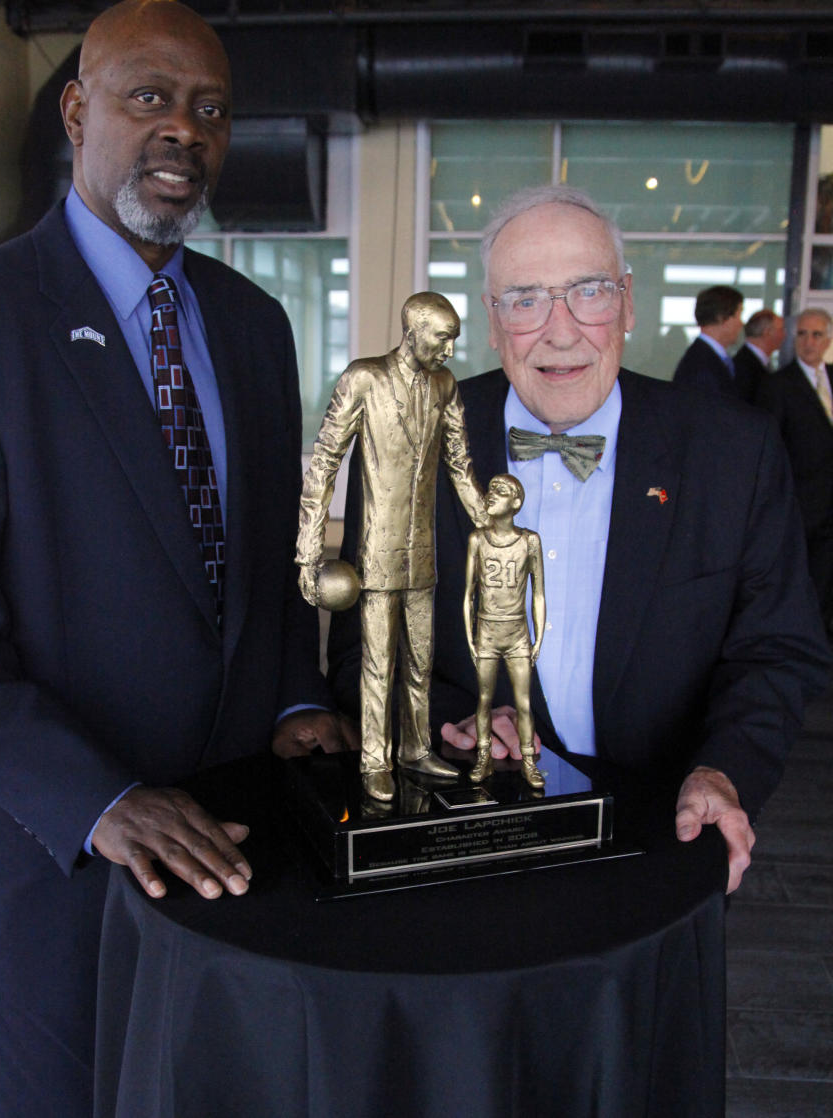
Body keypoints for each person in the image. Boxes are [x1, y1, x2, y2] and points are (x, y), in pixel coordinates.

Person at [0, 2, 349, 1113]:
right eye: (150, 97)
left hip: (235, 852)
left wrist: (293, 692)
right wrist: (102, 798)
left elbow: (263, 560)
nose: (184, 129)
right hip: (46, 868)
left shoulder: (253, 323)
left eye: (211, 109)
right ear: (79, 113)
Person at [328, 185, 830, 894]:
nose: (560, 332)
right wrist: (452, 718)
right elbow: (360, 648)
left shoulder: (733, 451)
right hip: (463, 838)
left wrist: (725, 770)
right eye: (526, 299)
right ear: (493, 323)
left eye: (588, 292)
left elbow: (776, 648)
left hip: (659, 834)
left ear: (626, 304)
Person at [296, 292, 486, 801]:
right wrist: (308, 552)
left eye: (454, 340)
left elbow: (460, 464)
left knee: (421, 659)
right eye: (443, 338)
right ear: (414, 330)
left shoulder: (445, 386)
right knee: (379, 663)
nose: (449, 350)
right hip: (375, 554)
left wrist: (487, 520)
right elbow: (323, 464)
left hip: (423, 553)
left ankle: (416, 748)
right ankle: (376, 757)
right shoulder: (365, 378)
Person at [463, 474, 545, 786]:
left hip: (517, 633)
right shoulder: (477, 539)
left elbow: (538, 593)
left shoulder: (530, 541)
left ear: (516, 503)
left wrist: (538, 638)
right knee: (484, 700)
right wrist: (470, 638)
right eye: (491, 488)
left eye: (501, 491)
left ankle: (528, 761)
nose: (491, 494)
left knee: (523, 702)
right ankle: (484, 758)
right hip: (486, 630)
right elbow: (468, 594)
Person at [757, 308, 833, 628]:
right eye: (802, 333)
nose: (808, 342)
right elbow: (771, 452)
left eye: (816, 334)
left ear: (828, 339)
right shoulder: (778, 385)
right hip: (804, 506)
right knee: (807, 584)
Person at [672, 284, 744, 396]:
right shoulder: (701, 368)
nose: (741, 323)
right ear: (721, 317)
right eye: (738, 315)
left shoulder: (703, 357)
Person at [733, 308, 786, 404]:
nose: (784, 335)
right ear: (767, 332)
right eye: (781, 329)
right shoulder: (743, 367)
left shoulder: (756, 363)